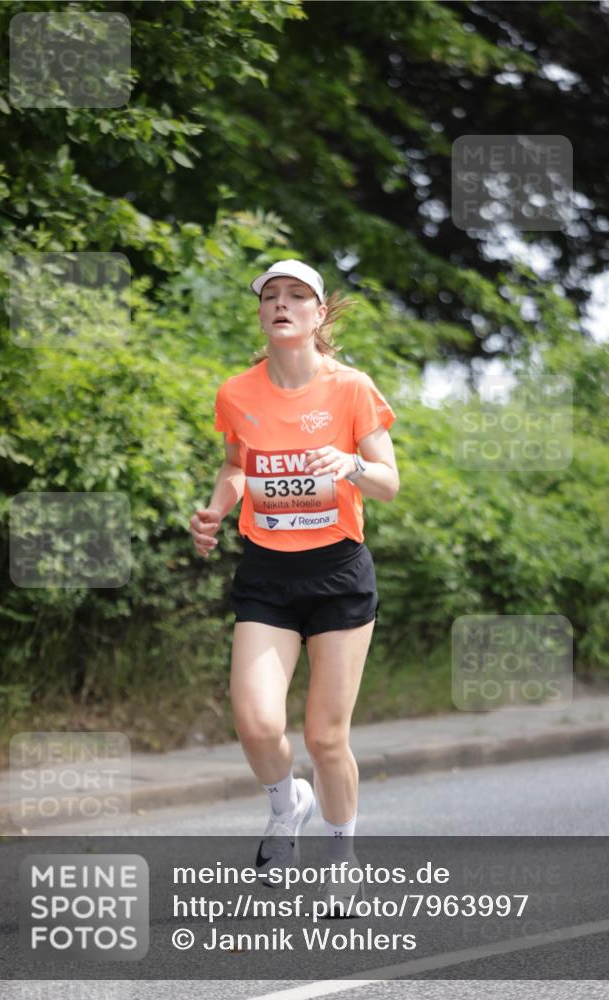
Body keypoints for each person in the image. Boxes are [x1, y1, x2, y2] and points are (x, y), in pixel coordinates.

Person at [190, 259, 399, 915]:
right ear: (262, 314)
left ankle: (342, 860)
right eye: (270, 297)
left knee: (325, 738)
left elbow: (388, 482)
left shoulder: (350, 388)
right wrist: (215, 509)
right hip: (267, 573)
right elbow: (234, 466)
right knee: (256, 724)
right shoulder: (237, 392)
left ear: (316, 314)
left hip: (337, 573)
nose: (281, 304)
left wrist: (351, 464)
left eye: (295, 296)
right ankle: (287, 809)